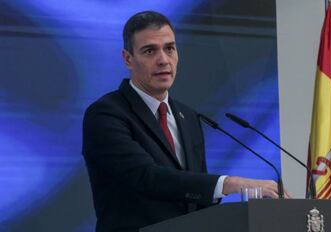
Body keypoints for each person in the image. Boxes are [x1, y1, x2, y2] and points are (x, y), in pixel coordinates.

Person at [82, 10, 281, 232]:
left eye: (170, 48)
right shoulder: (106, 115)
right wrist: (230, 184)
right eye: (149, 51)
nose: (163, 60)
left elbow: (198, 198)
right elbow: (145, 177)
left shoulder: (188, 117)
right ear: (128, 58)